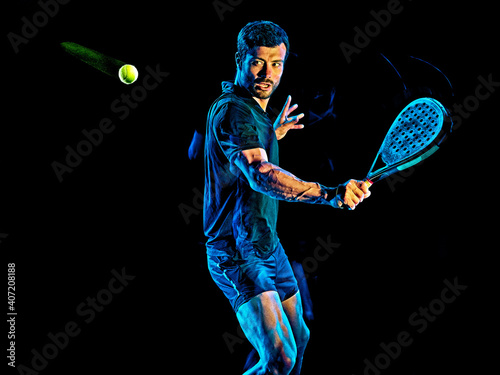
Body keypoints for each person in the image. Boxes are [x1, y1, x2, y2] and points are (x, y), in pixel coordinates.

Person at [204, 21, 371, 375]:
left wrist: (272, 133)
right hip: (236, 250)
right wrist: (329, 193)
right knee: (280, 358)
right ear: (238, 58)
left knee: (300, 336)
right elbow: (261, 175)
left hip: (266, 243)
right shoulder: (234, 111)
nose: (267, 73)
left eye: (276, 64)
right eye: (257, 62)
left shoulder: (252, 110)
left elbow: (245, 151)